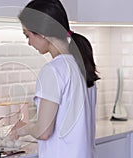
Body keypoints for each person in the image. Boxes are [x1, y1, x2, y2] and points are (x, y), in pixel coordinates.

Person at [9, 0, 100, 157]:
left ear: (42, 32)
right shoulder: (82, 65)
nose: (29, 42)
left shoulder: (53, 70)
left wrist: (23, 128)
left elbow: (44, 131)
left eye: (28, 35)